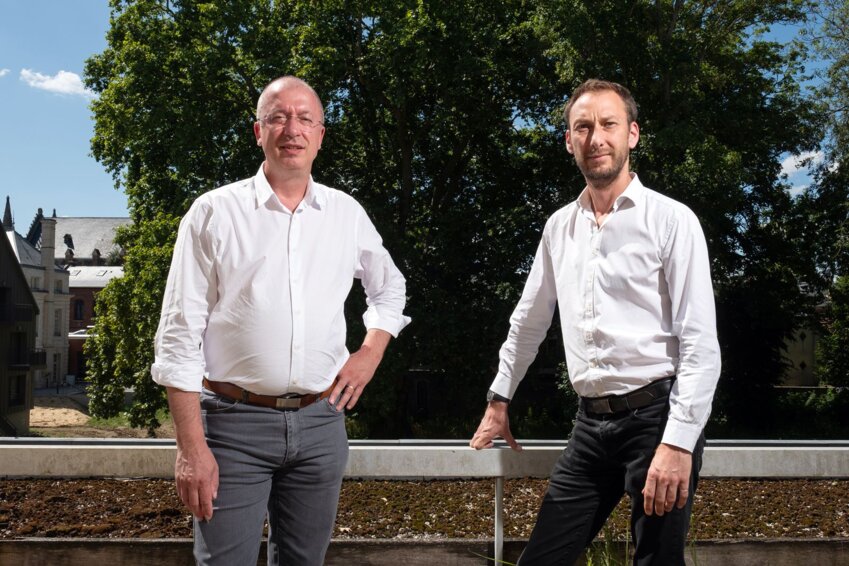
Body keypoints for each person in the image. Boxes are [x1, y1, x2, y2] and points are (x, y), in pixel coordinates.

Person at [152, 76, 410, 566]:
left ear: (320, 134)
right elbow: (179, 337)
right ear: (258, 131)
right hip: (231, 427)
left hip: (321, 424)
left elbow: (389, 288)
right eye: (278, 117)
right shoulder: (213, 213)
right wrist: (190, 448)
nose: (292, 128)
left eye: (304, 118)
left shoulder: (345, 213)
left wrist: (370, 353)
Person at [470, 79, 720, 565]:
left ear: (633, 134)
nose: (595, 137)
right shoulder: (559, 226)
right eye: (582, 127)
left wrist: (678, 443)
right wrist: (499, 400)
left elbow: (700, 345)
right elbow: (528, 321)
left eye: (608, 124)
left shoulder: (672, 220)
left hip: (657, 421)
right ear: (569, 141)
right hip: (589, 426)